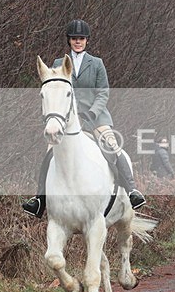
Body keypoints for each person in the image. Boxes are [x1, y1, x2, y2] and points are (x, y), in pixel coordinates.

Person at [22, 19, 146, 216]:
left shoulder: (96, 64)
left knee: (113, 148)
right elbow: (55, 92)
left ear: (86, 40)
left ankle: (132, 191)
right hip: (67, 121)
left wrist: (92, 112)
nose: (77, 42)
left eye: (81, 38)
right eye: (74, 39)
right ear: (69, 41)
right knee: (49, 155)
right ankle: (39, 200)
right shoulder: (57, 65)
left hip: (95, 119)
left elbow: (103, 92)